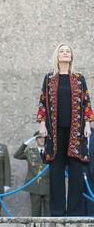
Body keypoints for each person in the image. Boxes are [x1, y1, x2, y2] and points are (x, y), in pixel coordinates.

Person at [37, 43, 93, 216]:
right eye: (62, 51)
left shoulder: (79, 78)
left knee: (76, 171)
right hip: (54, 131)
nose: (65, 53)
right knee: (56, 170)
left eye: (68, 51)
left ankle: (74, 212)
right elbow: (42, 102)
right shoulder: (49, 78)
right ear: (57, 56)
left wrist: (88, 124)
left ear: (71, 56)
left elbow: (86, 103)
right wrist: (41, 124)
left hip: (76, 131)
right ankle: (57, 211)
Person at [14, 131, 50, 216]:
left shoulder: (51, 152)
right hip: (34, 186)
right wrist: (26, 143)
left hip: (49, 185)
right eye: (39, 138)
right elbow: (17, 155)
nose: (42, 140)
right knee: (35, 211)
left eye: (44, 138)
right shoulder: (30, 151)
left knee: (49, 211)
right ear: (36, 139)